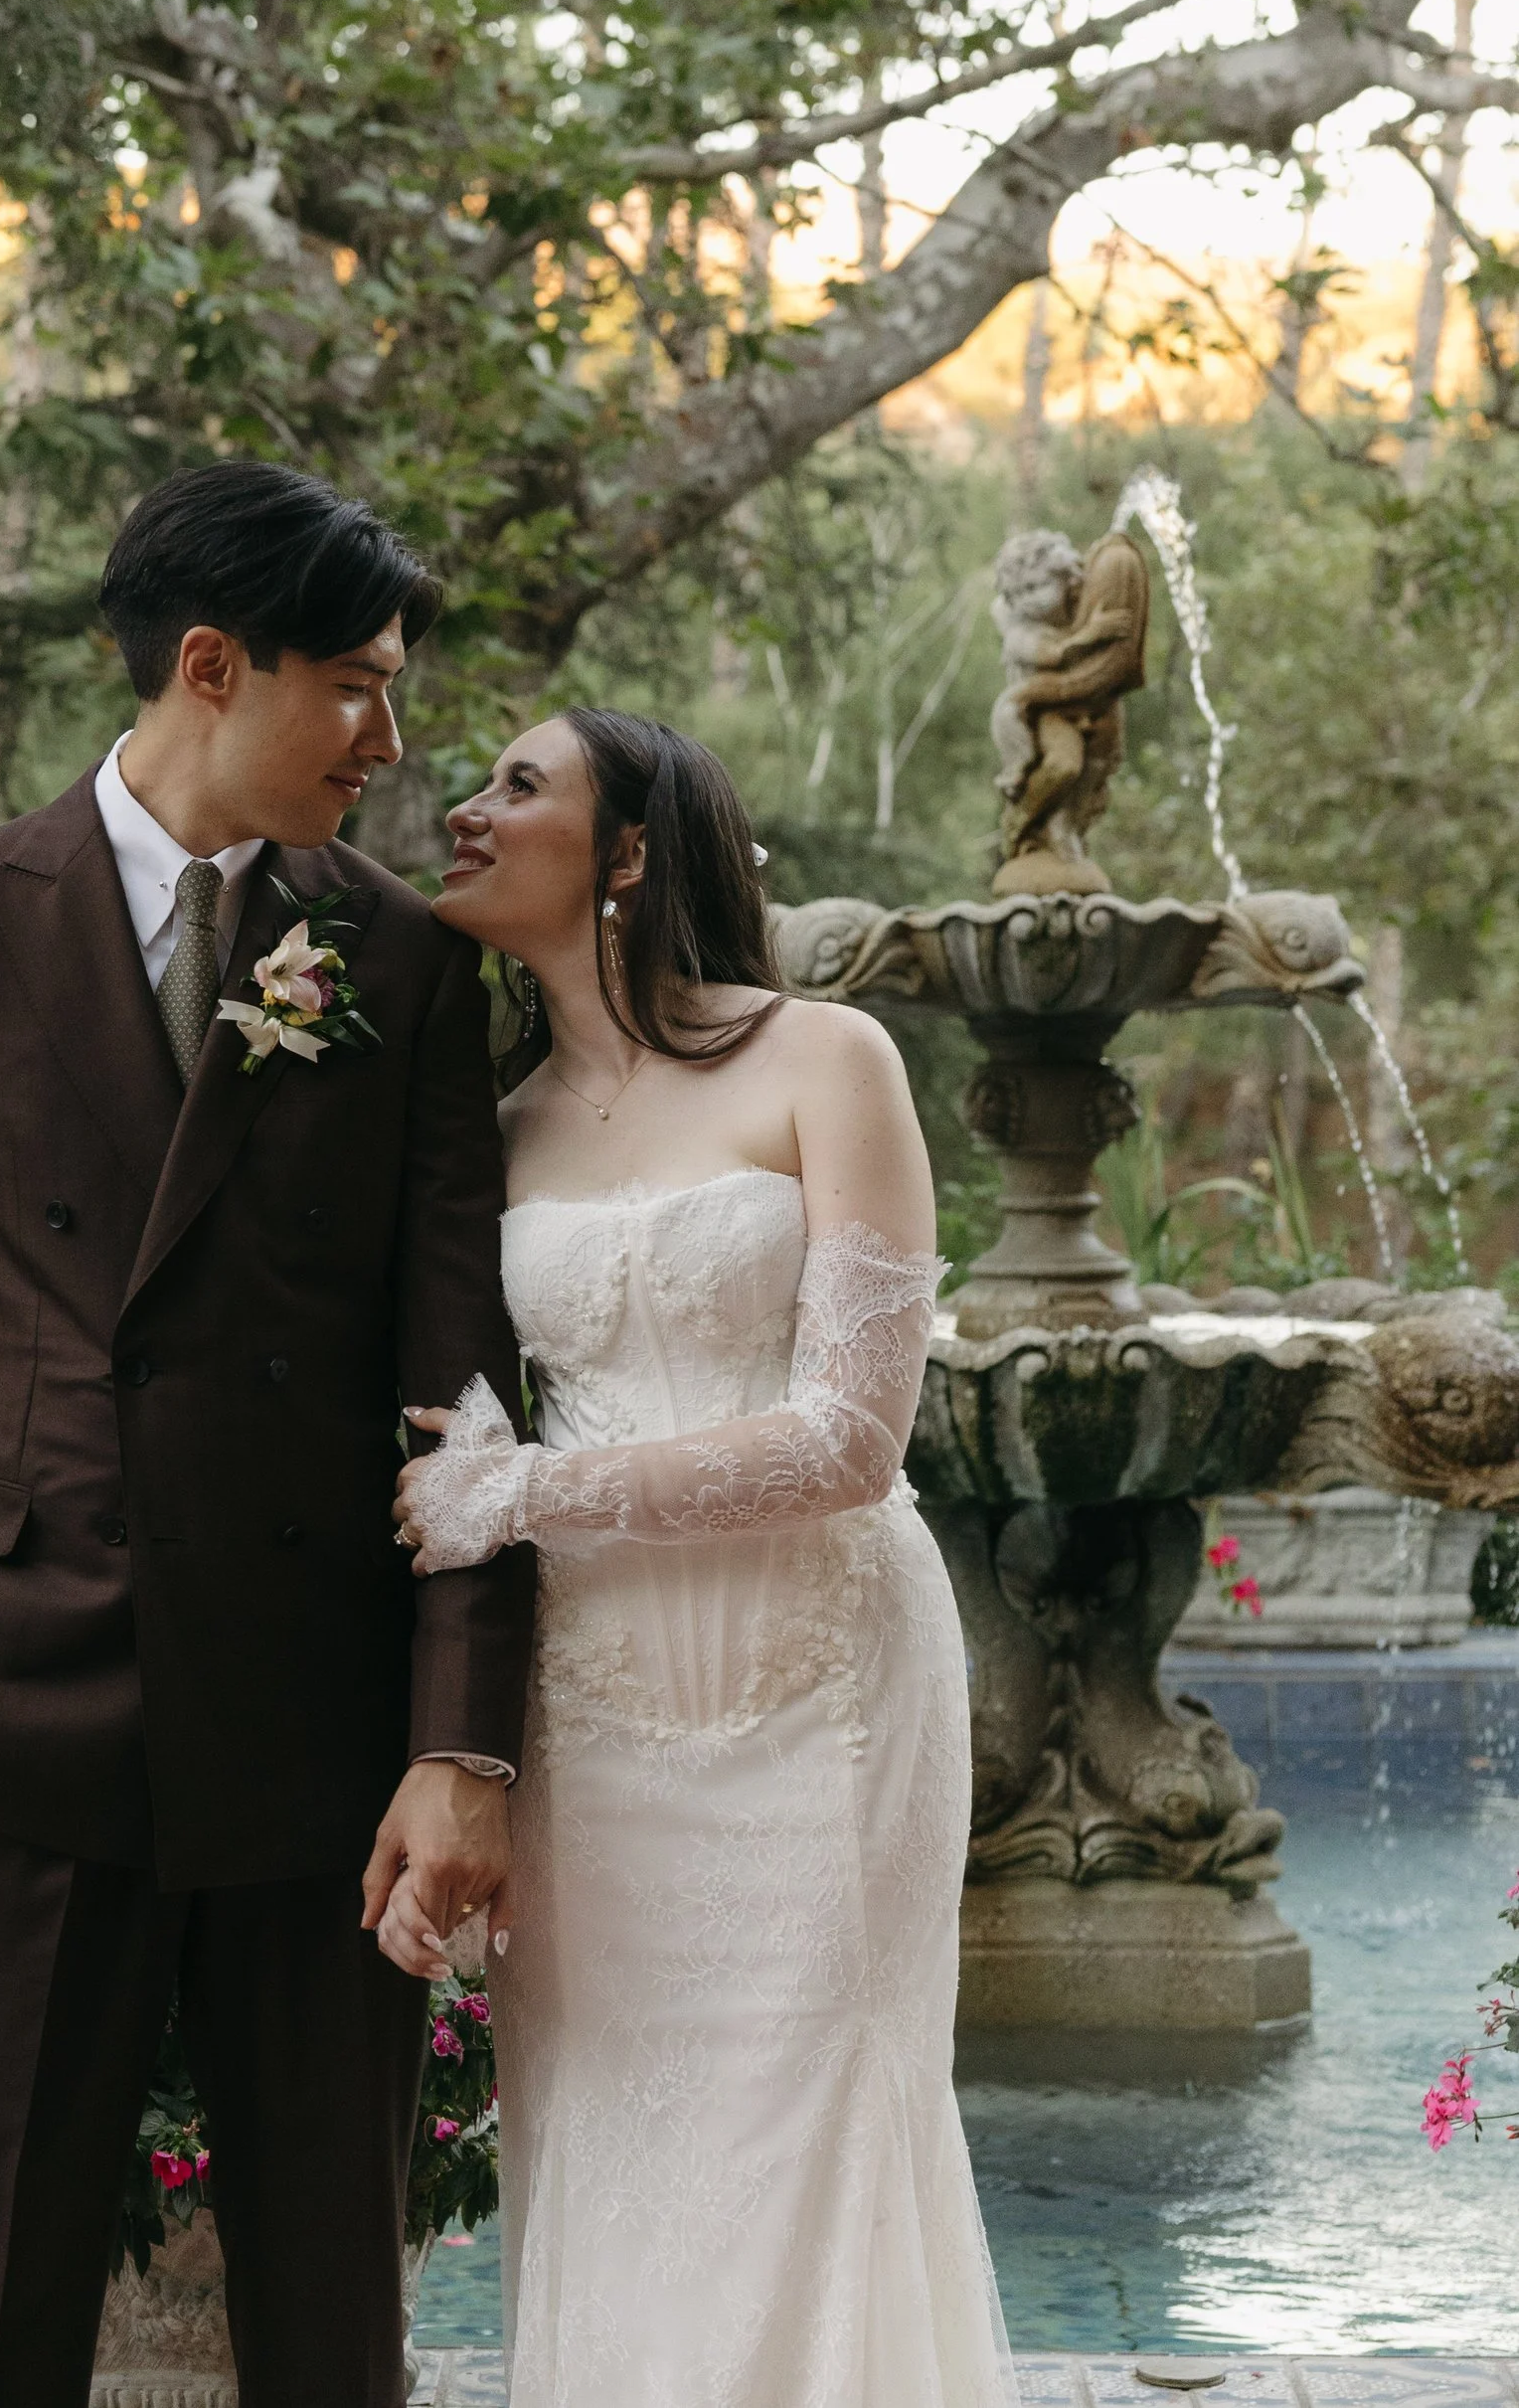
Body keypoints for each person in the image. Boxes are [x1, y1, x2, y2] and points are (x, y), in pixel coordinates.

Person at [0, 459, 536, 2408]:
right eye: (350, 683)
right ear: (208, 666)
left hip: (316, 1716)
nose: (389, 736)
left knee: (333, 2317)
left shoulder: (407, 965)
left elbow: (471, 1390)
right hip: (27, 1700)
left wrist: (455, 1735)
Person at [391, 708, 1015, 2408]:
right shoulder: (491, 1125)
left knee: (822, 2124)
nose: (465, 807)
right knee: (605, 2141)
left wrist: (526, 1498)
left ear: (635, 849)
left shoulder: (831, 1060)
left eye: (521, 786)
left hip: (823, 1690)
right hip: (592, 1717)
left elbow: (849, 1442)